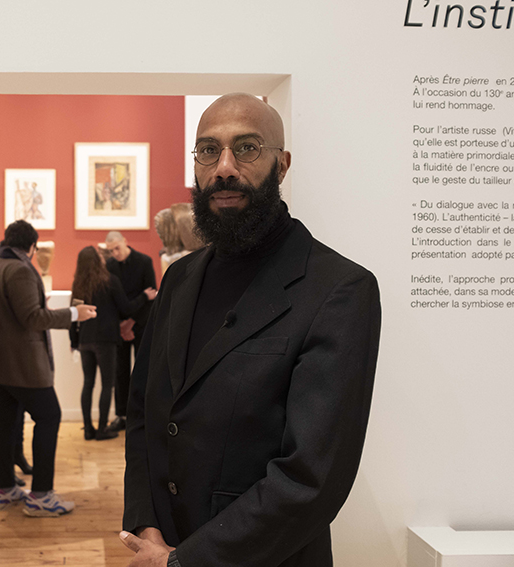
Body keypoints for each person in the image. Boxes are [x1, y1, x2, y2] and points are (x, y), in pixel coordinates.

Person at [120, 94, 381, 567]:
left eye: (247, 148)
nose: (224, 168)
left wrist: (185, 561)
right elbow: (144, 414)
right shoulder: (180, 279)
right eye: (207, 150)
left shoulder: (339, 289)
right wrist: (145, 523)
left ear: (282, 166)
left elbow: (311, 478)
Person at [0, 220, 96, 517]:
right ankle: (40, 495)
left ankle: (5, 490)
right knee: (49, 416)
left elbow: (16, 313)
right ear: (31, 247)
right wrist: (75, 314)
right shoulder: (20, 269)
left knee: (5, 420)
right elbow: (33, 319)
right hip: (20, 363)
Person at [70, 246, 156, 440]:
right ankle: (101, 429)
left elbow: (73, 316)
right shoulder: (110, 281)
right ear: (97, 261)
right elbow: (126, 309)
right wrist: (145, 296)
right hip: (106, 340)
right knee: (107, 385)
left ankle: (88, 428)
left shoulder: (78, 285)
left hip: (85, 340)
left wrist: (73, 341)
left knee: (88, 383)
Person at [103, 231, 157, 433]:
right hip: (119, 325)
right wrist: (121, 324)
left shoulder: (144, 261)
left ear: (125, 242)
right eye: (110, 251)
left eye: (117, 248)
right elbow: (110, 300)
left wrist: (130, 323)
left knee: (143, 369)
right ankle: (122, 415)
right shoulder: (109, 266)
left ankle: (143, 414)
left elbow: (152, 295)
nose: (115, 253)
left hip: (139, 325)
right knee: (120, 371)